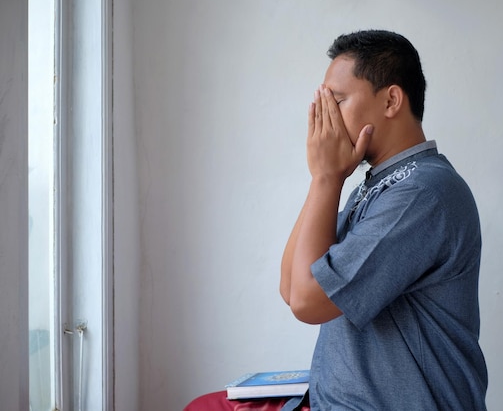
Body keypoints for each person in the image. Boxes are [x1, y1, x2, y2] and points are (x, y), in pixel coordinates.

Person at [185, 29, 487, 411]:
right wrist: (324, 179)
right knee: (205, 405)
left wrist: (326, 177)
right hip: (334, 401)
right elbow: (292, 286)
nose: (322, 117)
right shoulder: (380, 185)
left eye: (337, 100)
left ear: (391, 99)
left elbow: (308, 303)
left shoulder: (422, 193)